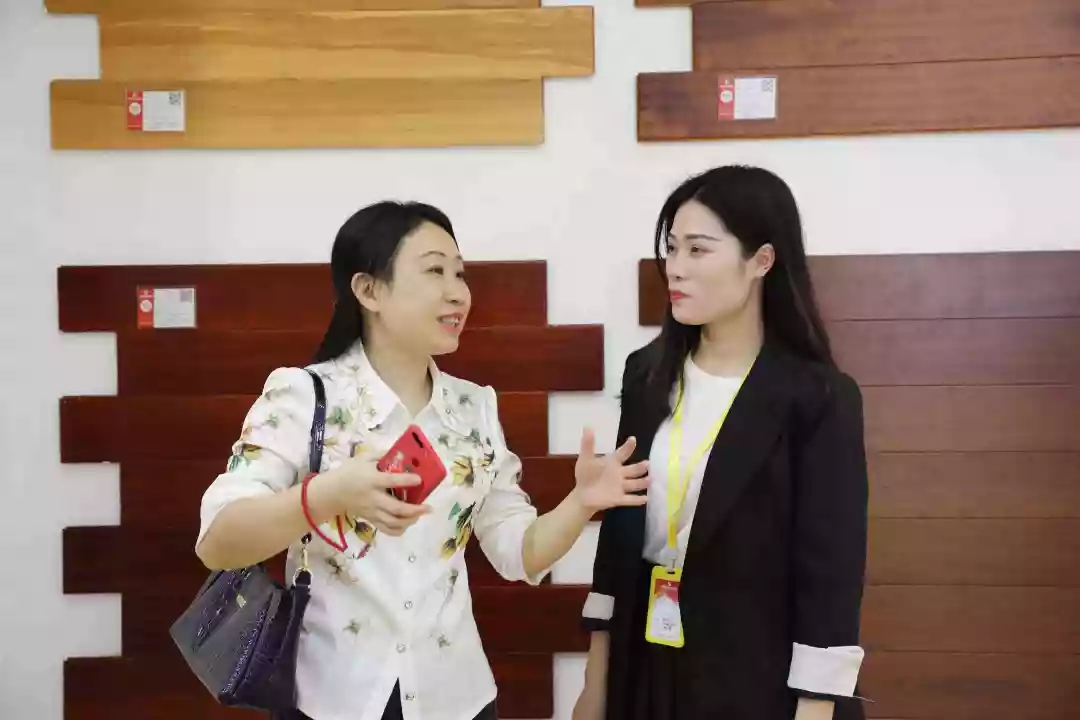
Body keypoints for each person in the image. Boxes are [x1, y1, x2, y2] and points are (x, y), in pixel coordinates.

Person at [194, 200, 650, 720]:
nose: (458, 292)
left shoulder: (474, 408)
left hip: (456, 699)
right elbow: (217, 541)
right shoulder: (305, 395)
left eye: (460, 273)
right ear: (369, 291)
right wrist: (326, 495)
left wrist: (580, 503)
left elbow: (519, 554)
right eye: (435, 271)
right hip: (332, 699)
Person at [573, 166, 869, 720]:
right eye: (671, 248)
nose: (675, 267)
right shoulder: (647, 374)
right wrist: (595, 681)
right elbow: (618, 541)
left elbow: (830, 574)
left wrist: (815, 708)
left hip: (757, 673)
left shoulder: (819, 397)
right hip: (646, 662)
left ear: (761, 261)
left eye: (698, 249)